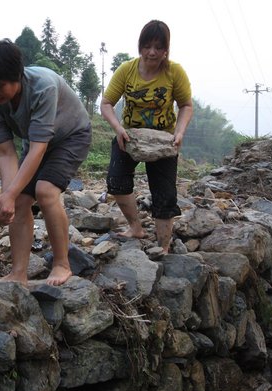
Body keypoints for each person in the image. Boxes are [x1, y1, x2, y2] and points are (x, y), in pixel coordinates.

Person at [0, 39, 92, 286]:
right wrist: (8, 196)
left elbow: (40, 148)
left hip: (71, 136)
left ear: (17, 75)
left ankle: (62, 263)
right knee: (18, 201)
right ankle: (18, 272)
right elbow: (6, 152)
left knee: (45, 191)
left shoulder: (43, 87)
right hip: (35, 141)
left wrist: (10, 193)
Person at [100, 20, 193, 254]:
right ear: (140, 46)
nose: (152, 52)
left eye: (158, 47)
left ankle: (163, 245)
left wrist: (179, 132)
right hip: (129, 136)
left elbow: (186, 105)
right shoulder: (127, 69)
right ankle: (136, 227)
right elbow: (107, 103)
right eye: (147, 46)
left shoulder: (174, 72)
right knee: (116, 181)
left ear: (166, 50)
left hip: (163, 141)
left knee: (165, 194)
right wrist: (118, 128)